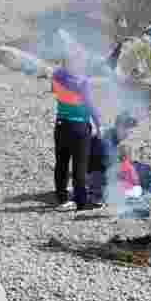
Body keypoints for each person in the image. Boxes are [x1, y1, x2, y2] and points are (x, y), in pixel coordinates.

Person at [52, 43, 104, 212]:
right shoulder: (83, 81)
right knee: (79, 166)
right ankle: (80, 202)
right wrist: (99, 124)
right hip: (79, 127)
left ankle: (61, 199)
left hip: (61, 125)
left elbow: (55, 90)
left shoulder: (57, 75)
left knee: (61, 163)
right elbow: (90, 104)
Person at [86, 111, 138, 204]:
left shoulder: (110, 134)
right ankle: (95, 193)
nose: (128, 133)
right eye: (126, 129)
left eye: (129, 129)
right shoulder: (107, 139)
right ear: (119, 127)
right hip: (95, 176)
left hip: (93, 172)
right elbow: (106, 164)